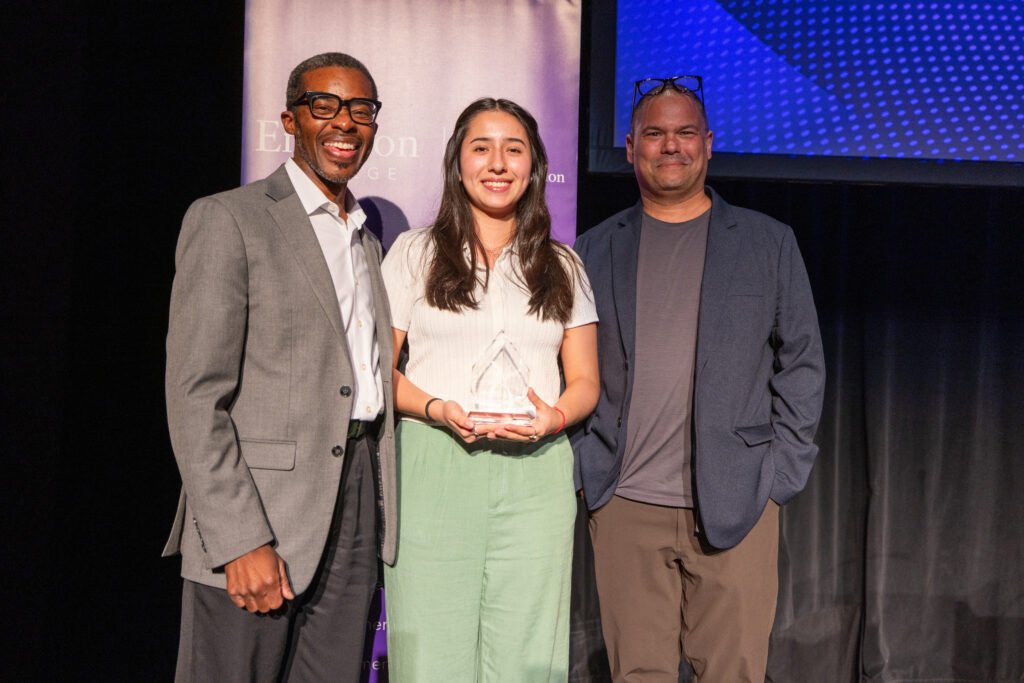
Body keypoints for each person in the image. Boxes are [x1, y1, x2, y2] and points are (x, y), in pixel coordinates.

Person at [572, 76, 826, 682]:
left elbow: (803, 362)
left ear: (708, 145)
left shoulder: (769, 243)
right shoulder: (591, 250)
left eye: (685, 133)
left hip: (737, 501)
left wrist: (779, 475)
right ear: (631, 146)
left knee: (733, 672)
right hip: (626, 502)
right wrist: (587, 467)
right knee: (638, 674)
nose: (671, 146)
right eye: (655, 134)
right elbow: (566, 365)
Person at [163, 52, 397, 683]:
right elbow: (195, 396)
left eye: (361, 109)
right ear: (291, 119)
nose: (344, 122)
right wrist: (238, 538)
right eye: (324, 105)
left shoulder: (367, 237)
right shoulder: (228, 219)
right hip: (259, 511)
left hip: (354, 501)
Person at [380, 98, 600, 682]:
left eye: (513, 149)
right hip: (435, 463)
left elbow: (584, 382)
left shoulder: (564, 266)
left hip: (536, 474)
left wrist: (553, 419)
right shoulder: (413, 254)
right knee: (431, 649)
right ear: (458, 163)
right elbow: (379, 370)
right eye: (481, 148)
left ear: (533, 166)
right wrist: (435, 407)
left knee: (528, 653)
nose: (497, 163)